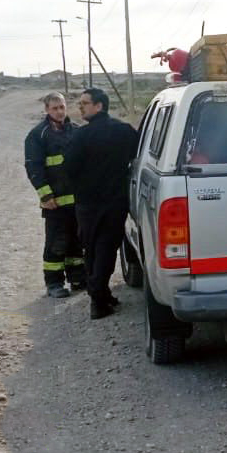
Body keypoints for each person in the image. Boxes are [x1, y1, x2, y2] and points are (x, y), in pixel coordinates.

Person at [64, 88, 140, 319]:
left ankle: (97, 298)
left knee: (92, 249)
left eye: (84, 103)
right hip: (114, 202)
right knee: (107, 249)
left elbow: (69, 168)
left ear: (99, 106)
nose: (80, 107)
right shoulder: (124, 131)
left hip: (88, 204)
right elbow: (136, 156)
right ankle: (101, 295)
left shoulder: (81, 136)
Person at [23, 92, 85, 298]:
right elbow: (34, 168)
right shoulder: (38, 135)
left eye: (62, 107)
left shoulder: (76, 131)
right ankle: (54, 283)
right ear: (47, 110)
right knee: (56, 243)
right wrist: (46, 196)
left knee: (77, 241)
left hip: (76, 201)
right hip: (54, 202)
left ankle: (78, 278)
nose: (59, 112)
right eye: (55, 108)